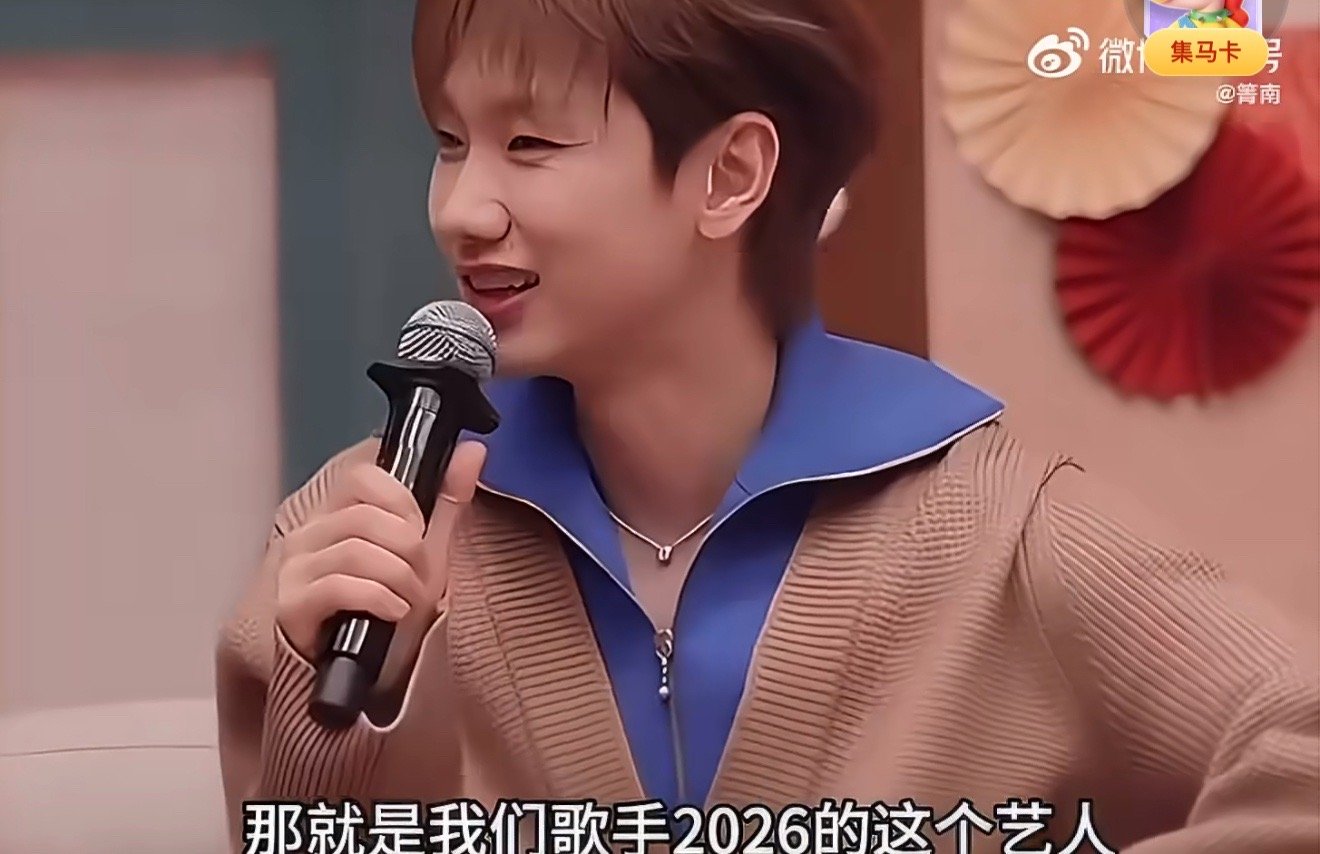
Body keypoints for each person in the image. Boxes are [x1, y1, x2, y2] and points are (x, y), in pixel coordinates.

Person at [216, 0, 1318, 850]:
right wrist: (355, 706)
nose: (462, 208)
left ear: (730, 175)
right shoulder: (357, 532)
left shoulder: (1002, 524)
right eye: (452, 141)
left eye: (533, 143)